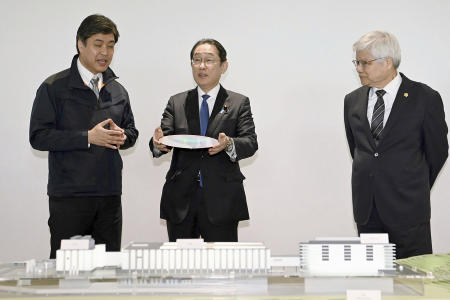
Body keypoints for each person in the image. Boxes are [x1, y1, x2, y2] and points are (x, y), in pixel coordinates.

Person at [29, 14, 138, 258]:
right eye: (98, 44)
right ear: (80, 44)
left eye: (110, 46)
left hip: (109, 196)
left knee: (108, 273)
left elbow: (131, 130)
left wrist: (123, 137)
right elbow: (39, 136)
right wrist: (87, 137)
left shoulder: (117, 89)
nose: (105, 53)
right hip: (70, 197)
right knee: (67, 273)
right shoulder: (54, 87)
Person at [344, 31, 448, 259]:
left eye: (364, 62)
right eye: (357, 62)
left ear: (387, 62)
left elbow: (437, 152)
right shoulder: (352, 100)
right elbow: (360, 150)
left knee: (412, 283)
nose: (359, 68)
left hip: (409, 211)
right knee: (373, 284)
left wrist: (413, 183)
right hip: (367, 211)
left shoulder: (425, 98)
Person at [150, 39, 258, 242]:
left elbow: (251, 142)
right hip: (181, 198)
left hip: (221, 199)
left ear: (223, 66)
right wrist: (157, 144)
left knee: (222, 268)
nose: (202, 66)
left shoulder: (236, 103)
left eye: (209, 60)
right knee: (181, 267)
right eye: (196, 60)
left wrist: (229, 144)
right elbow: (163, 137)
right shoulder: (178, 102)